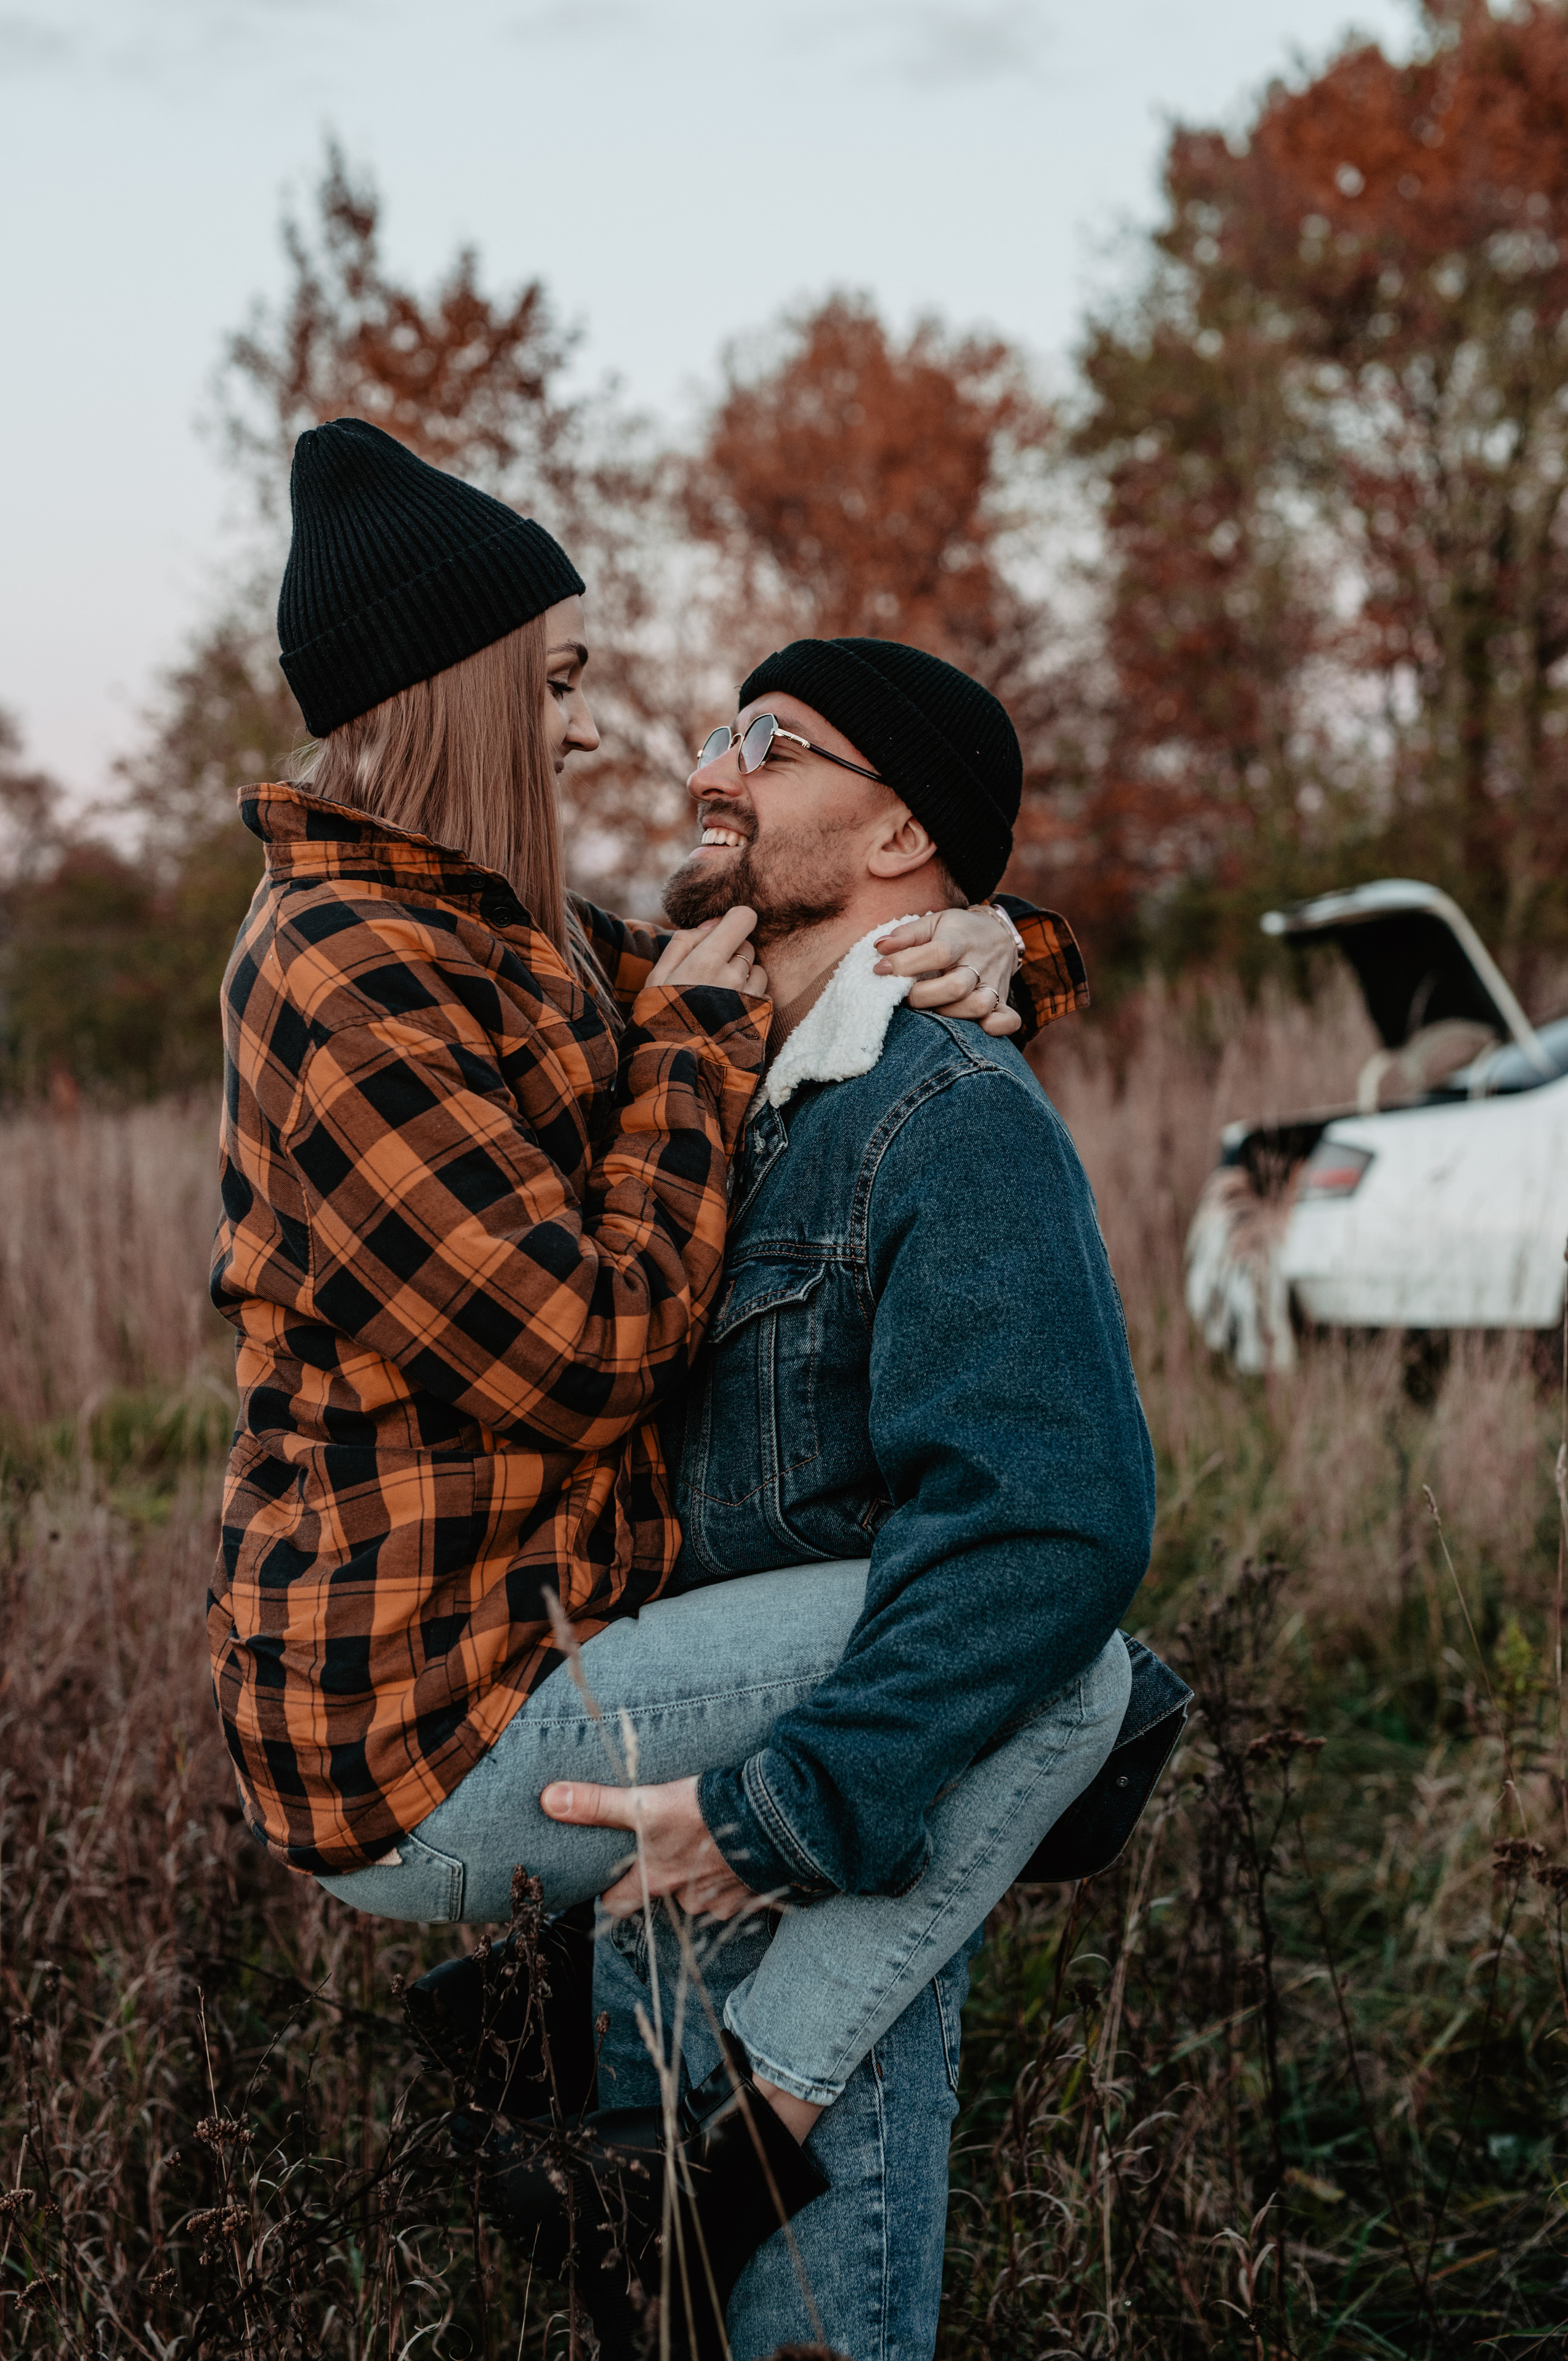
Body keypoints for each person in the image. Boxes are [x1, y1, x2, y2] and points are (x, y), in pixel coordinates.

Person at [208, 419, 1071, 2335]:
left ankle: (636, 2100)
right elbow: (588, 1351)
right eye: (564, 683)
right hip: (428, 1721)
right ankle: (730, 2127)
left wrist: (1011, 942)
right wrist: (683, 1046)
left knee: (975, 1675)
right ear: (457, 701)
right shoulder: (341, 967)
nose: (595, 732)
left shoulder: (502, 942)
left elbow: (793, 958)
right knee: (1048, 1655)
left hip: (534, 1642)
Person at [482, 640, 1184, 2359]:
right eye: (724, 731)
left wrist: (769, 1818)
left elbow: (1048, 1527)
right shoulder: (724, 1086)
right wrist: (1022, 938)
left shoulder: (945, 1117)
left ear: (896, 840)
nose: (712, 767)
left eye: (772, 744)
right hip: (657, 1877)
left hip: (811, 1866)